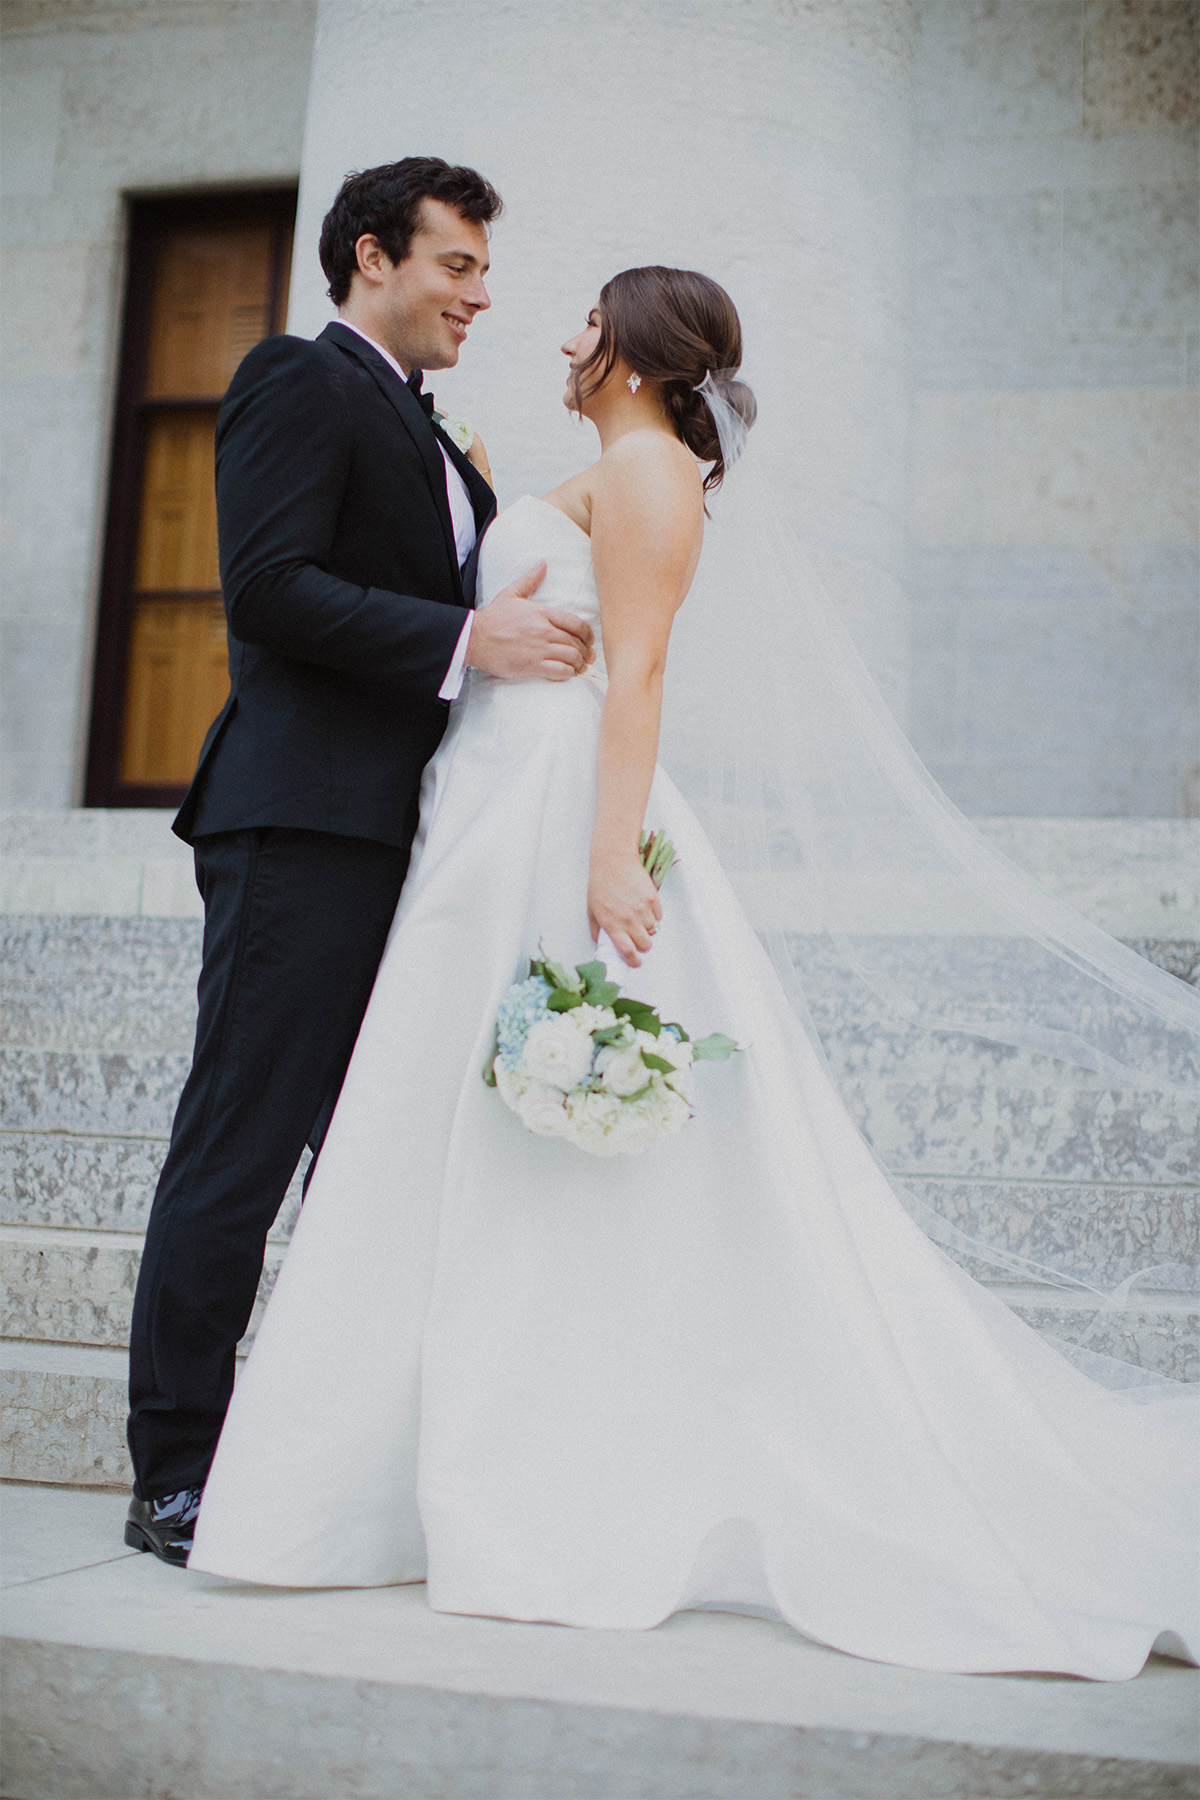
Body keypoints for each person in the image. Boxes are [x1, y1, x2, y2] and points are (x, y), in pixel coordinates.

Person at [187, 265, 1197, 1680]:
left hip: (558, 822)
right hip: (481, 812)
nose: (561, 334)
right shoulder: (599, 464)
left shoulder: (654, 469)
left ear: (637, 349)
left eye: (586, 320)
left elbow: (641, 675)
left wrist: (613, 864)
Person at [124, 158, 596, 1566]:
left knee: (368, 1164)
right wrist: (468, 642)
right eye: (457, 264)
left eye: (484, 269)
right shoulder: (294, 377)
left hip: (409, 842)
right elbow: (266, 587)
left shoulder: (441, 436)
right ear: (373, 256)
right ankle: (176, 1476)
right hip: (301, 827)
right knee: (241, 1148)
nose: (481, 293)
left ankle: (321, 1459)